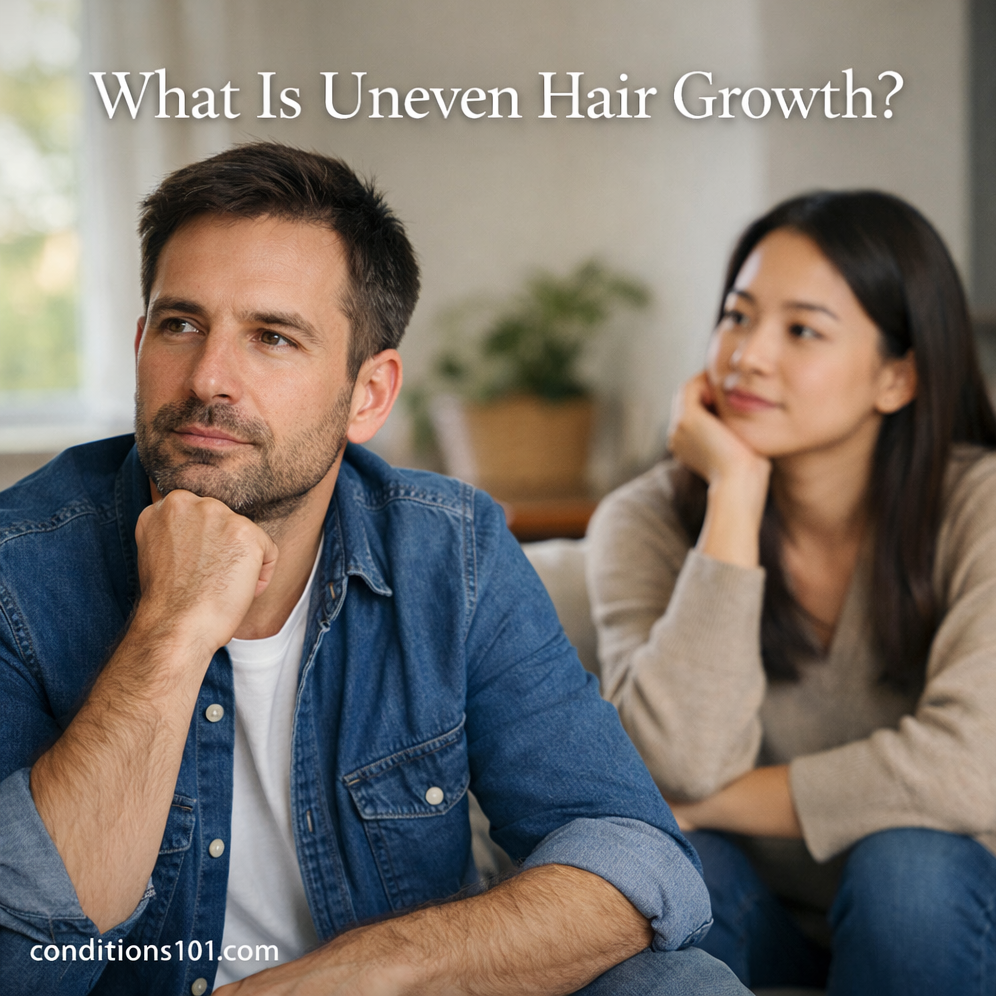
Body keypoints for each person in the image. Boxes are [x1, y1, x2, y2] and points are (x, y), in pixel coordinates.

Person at [0, 143, 750, 996]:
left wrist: (361, 972)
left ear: (370, 394)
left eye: (272, 337)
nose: (209, 378)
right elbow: (23, 956)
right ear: (140, 343)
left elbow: (637, 856)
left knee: (681, 983)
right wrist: (171, 628)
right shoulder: (19, 570)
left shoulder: (451, 553)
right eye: (180, 325)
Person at [586, 190, 996, 996]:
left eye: (802, 331)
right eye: (738, 316)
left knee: (906, 869)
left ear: (896, 377)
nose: (748, 356)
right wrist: (734, 497)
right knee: (673, 870)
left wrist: (710, 802)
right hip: (769, 916)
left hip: (963, 908)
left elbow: (962, 777)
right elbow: (671, 763)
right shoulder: (645, 520)